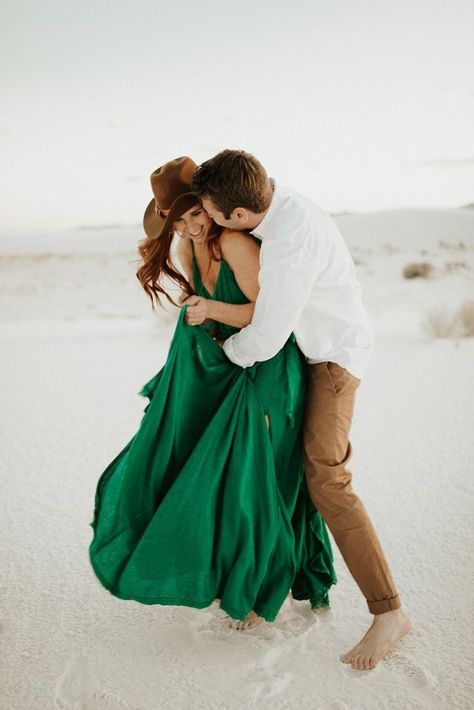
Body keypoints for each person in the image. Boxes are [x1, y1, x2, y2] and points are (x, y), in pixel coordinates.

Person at [88, 156, 336, 631]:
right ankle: (246, 576)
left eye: (195, 214)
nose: (191, 226)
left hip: (268, 369)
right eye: (178, 220)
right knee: (231, 480)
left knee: (262, 484)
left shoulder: (237, 244)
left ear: (210, 204)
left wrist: (212, 309)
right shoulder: (187, 248)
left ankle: (262, 595)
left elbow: (270, 320)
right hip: (231, 369)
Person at [190, 149, 412, 669]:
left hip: (333, 360)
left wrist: (224, 358)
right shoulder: (274, 202)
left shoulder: (291, 242)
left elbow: (267, 335)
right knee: (289, 471)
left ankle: (389, 613)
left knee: (327, 479)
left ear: (240, 215)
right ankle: (285, 575)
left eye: (217, 218)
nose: (215, 226)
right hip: (311, 355)